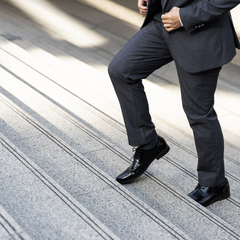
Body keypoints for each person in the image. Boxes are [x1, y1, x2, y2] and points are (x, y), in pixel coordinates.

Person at [108, 0, 240, 207]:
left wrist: (185, 17)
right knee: (121, 70)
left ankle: (215, 184)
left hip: (201, 31)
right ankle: (149, 143)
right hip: (162, 22)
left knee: (198, 113)